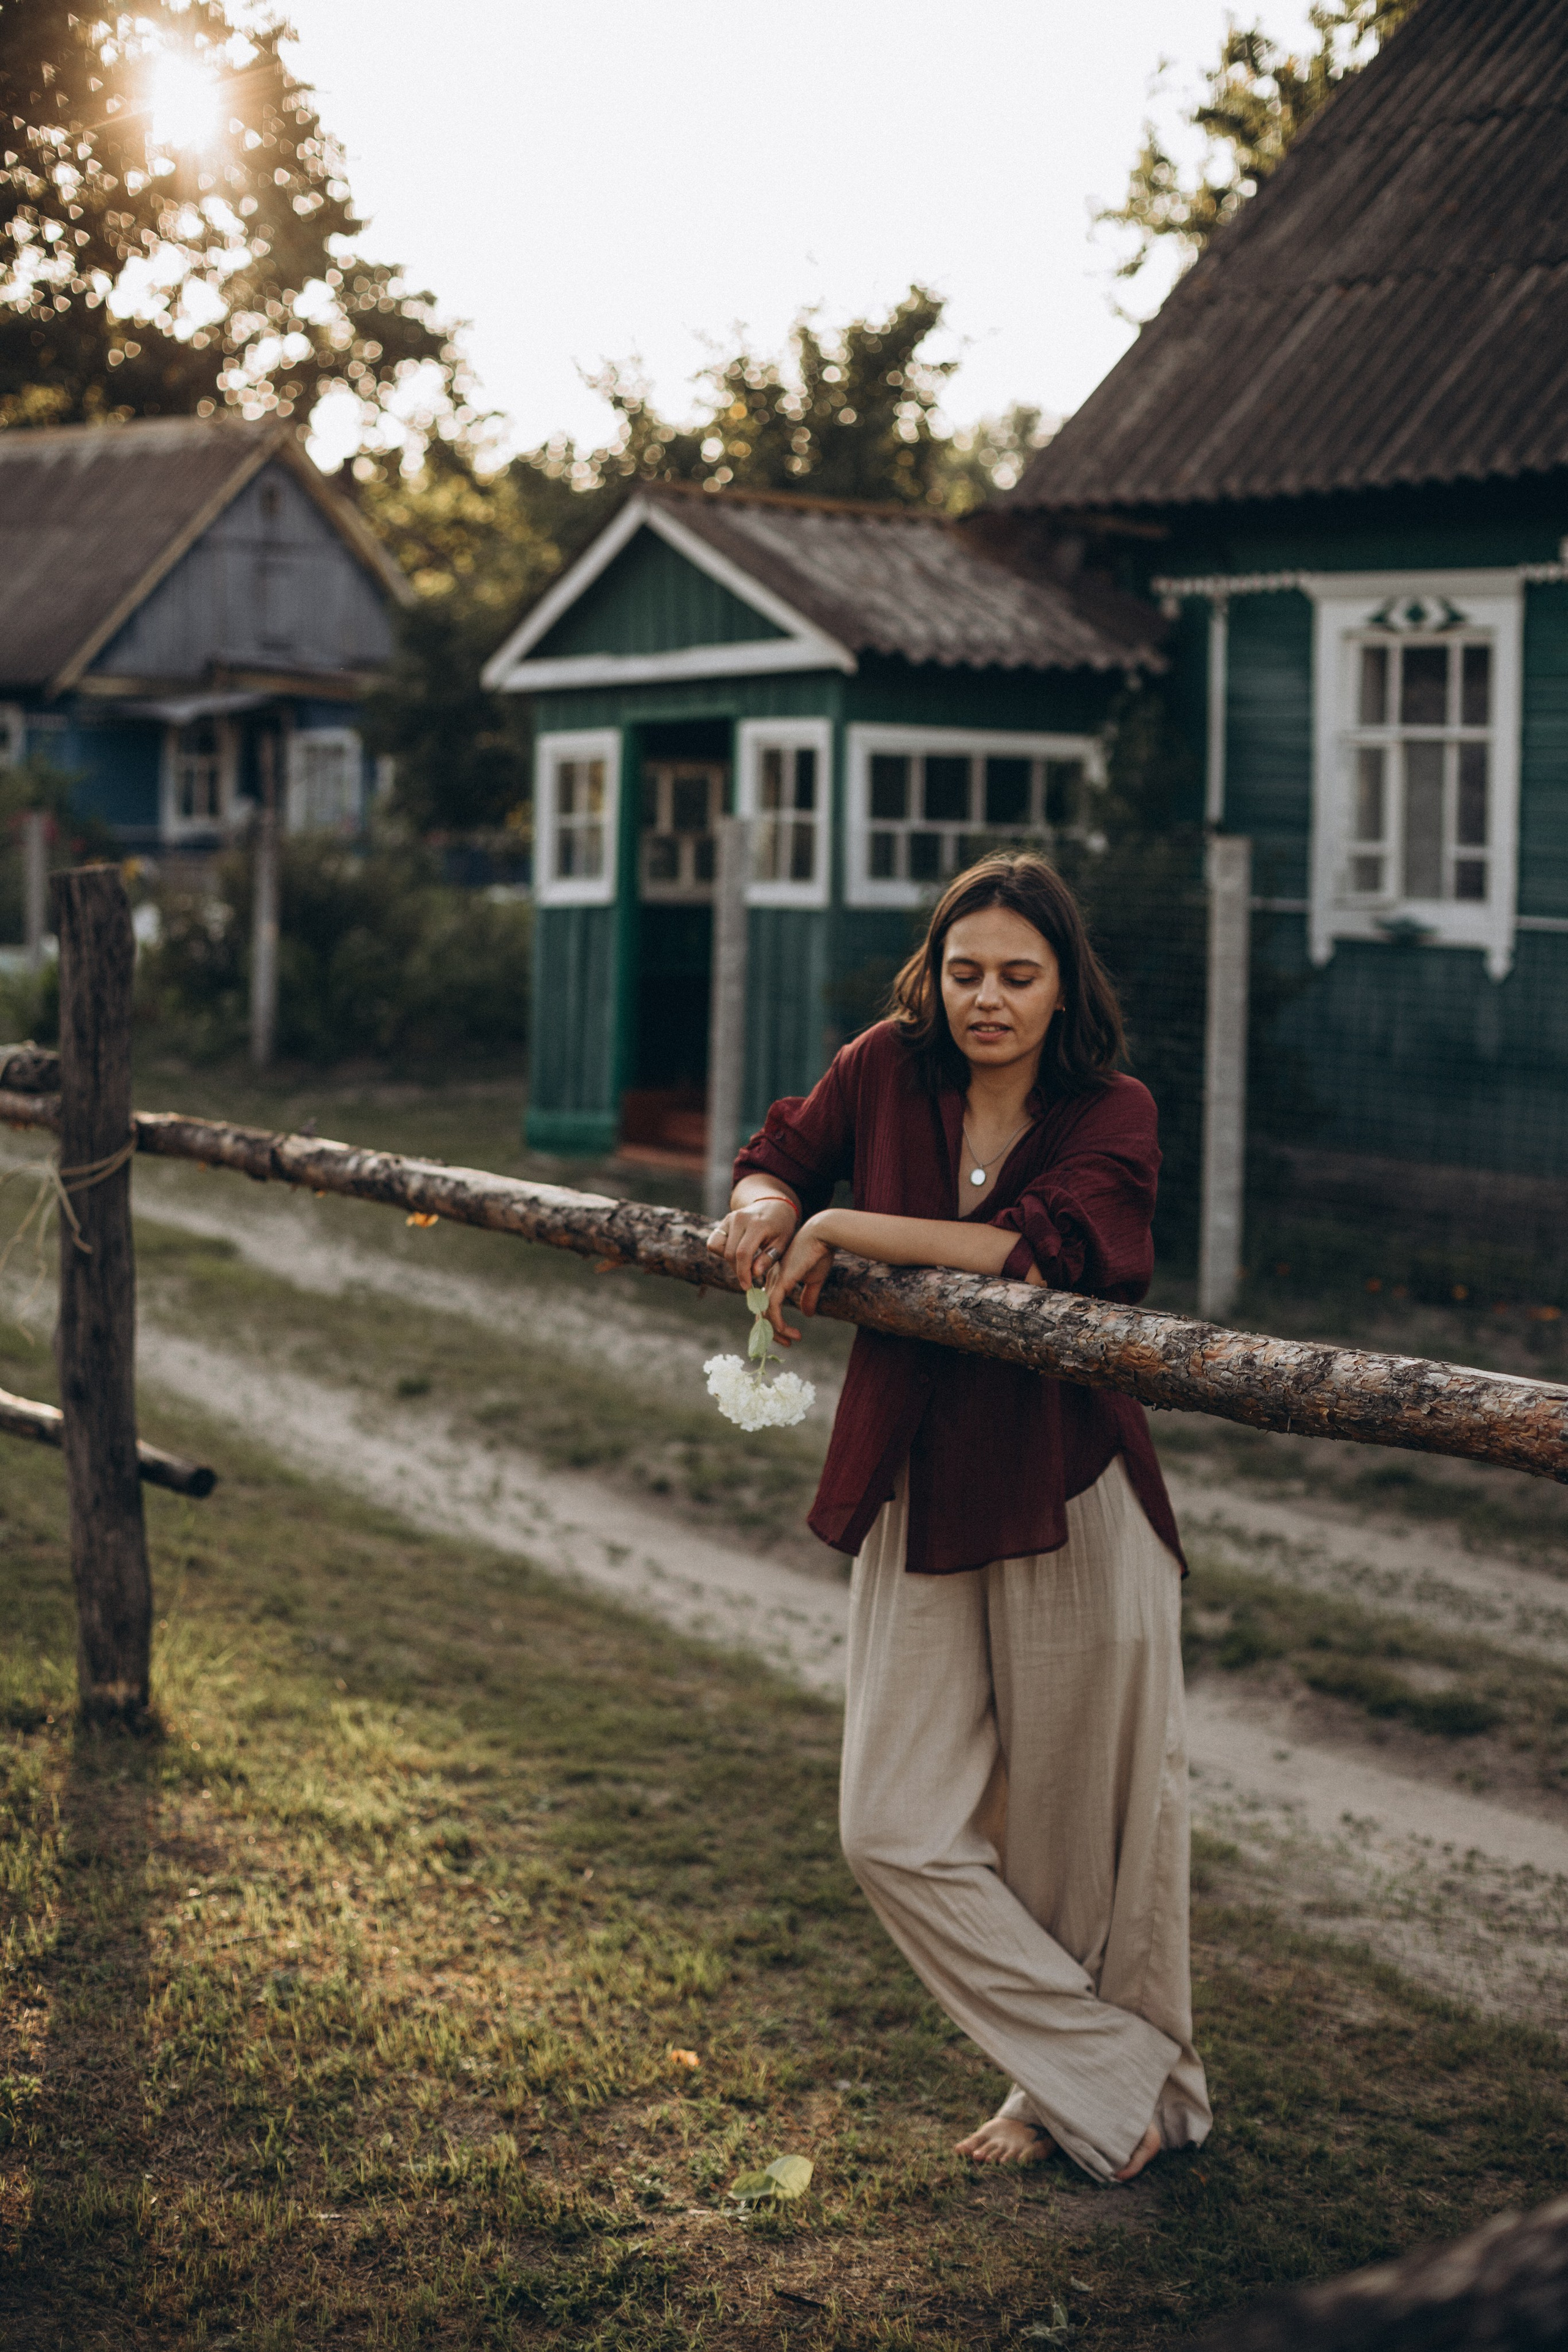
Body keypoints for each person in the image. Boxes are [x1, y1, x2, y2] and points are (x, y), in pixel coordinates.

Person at [706, 853, 1210, 2185]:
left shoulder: (1113, 1110)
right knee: (889, 1825)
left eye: (1017, 976)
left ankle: (1052, 2094)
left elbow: (1041, 1250)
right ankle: (1116, 2080)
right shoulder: (884, 1065)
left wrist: (843, 1222)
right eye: (963, 969)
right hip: (917, 1478)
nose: (985, 998)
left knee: (1083, 1829)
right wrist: (765, 1205)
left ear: (1061, 991)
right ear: (931, 974)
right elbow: (779, 1154)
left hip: (1072, 1490)